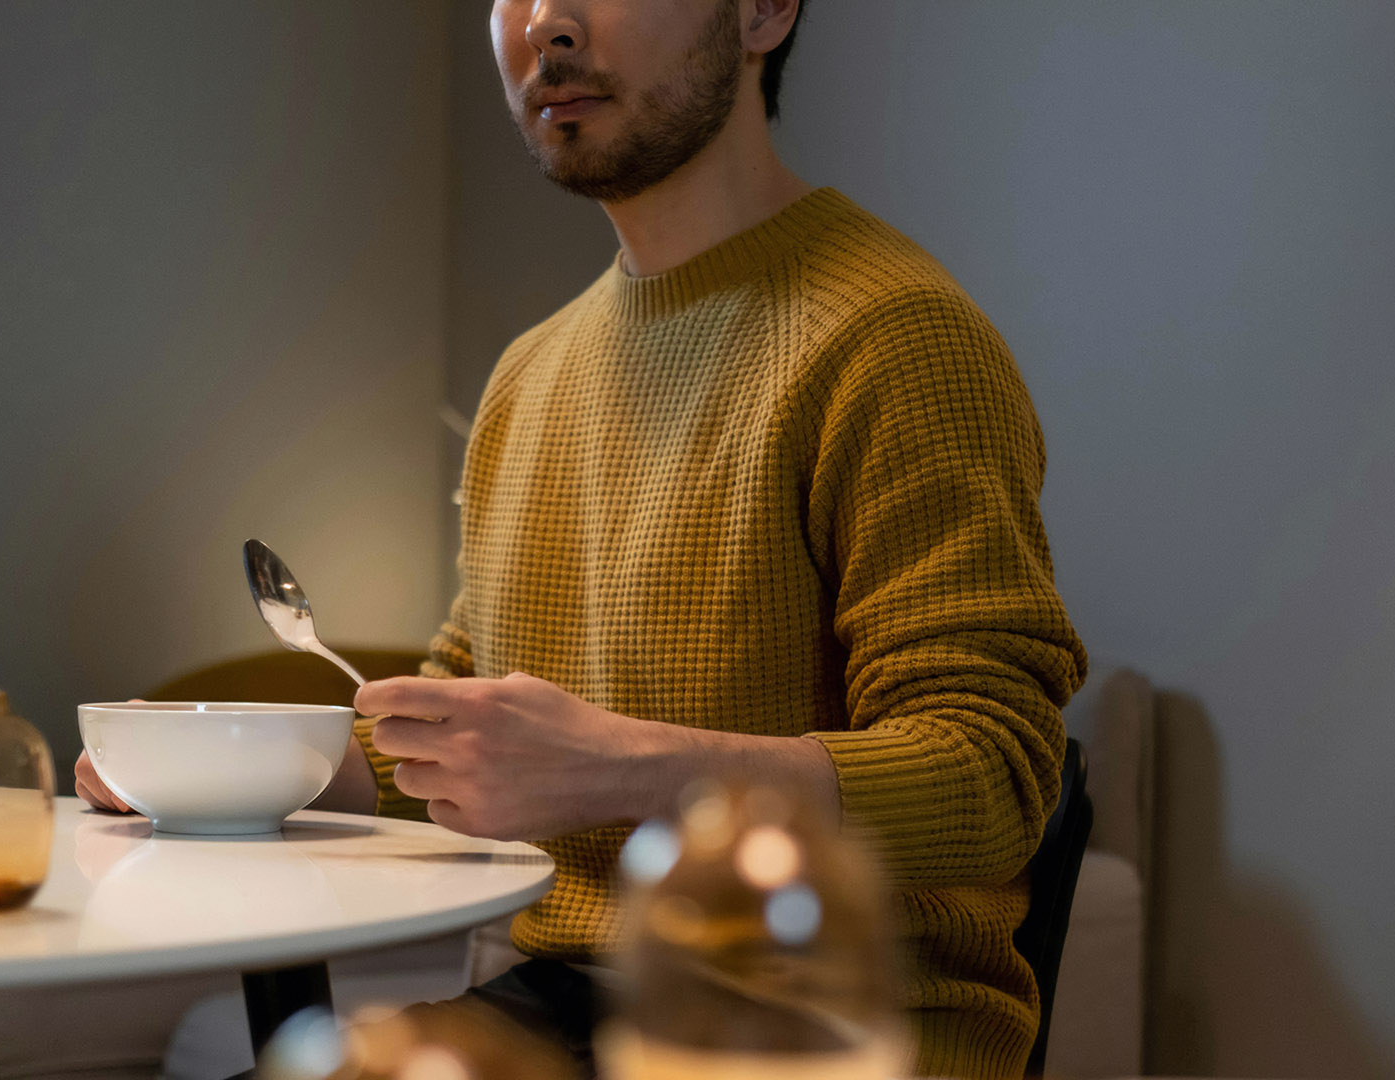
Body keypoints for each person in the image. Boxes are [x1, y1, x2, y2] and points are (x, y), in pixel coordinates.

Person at [78, 1, 1086, 1077]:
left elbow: (995, 779)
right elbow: (455, 721)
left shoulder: (897, 338)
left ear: (762, 12)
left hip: (824, 1025)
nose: (546, 24)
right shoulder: (530, 375)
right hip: (555, 1008)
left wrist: (617, 769)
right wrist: (231, 764)